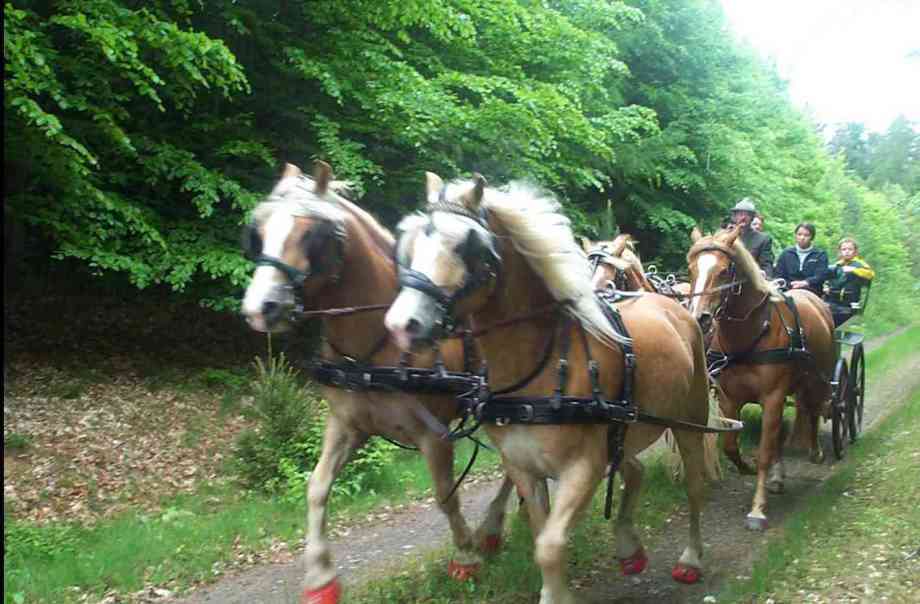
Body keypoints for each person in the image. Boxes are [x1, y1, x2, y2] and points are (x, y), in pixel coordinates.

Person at [825, 237, 875, 327]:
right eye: (844, 249)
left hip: (849, 302)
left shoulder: (859, 264)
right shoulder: (837, 265)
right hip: (832, 300)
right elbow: (828, 280)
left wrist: (854, 270)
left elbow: (870, 274)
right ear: (840, 251)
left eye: (850, 249)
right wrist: (826, 287)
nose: (847, 251)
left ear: (855, 251)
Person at [773, 222, 829, 296]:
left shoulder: (820, 254)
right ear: (795, 236)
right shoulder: (786, 253)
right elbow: (779, 274)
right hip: (788, 290)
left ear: (812, 237)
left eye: (806, 235)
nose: (802, 238)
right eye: (799, 234)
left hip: (812, 291)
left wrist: (806, 282)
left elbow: (821, 275)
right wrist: (790, 284)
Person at [728, 198, 774, 277]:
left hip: (750, 281)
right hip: (726, 281)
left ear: (752, 218)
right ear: (735, 217)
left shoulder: (763, 239)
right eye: (740, 214)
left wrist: (764, 273)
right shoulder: (724, 236)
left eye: (747, 215)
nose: (743, 218)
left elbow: (766, 265)